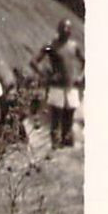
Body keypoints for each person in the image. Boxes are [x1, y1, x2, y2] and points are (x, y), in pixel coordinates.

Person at [33, 18, 85, 149]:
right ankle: (55, 142)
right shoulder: (51, 45)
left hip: (71, 85)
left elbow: (84, 62)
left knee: (70, 112)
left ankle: (66, 139)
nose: (66, 30)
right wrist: (44, 75)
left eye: (69, 28)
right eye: (64, 28)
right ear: (59, 29)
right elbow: (34, 61)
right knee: (56, 114)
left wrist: (80, 76)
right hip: (56, 86)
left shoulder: (74, 46)